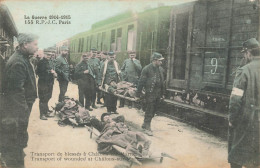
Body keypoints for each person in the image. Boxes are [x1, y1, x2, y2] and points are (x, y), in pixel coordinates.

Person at [0, 33, 38, 167]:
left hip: (18, 111)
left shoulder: (22, 58)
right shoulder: (18, 61)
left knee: (16, 140)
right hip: (17, 112)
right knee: (15, 139)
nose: (37, 47)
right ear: (25, 44)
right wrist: (24, 112)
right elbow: (16, 92)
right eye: (35, 44)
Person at [228, 38, 260, 168]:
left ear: (248, 53)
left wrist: (232, 119)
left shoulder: (245, 70)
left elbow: (236, 98)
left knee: (237, 155)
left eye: (244, 53)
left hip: (246, 119)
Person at [136, 52, 165, 136]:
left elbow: (162, 82)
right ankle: (147, 126)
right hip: (150, 93)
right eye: (160, 61)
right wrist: (138, 94)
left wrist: (163, 94)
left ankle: (145, 124)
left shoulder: (160, 69)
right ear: (154, 60)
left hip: (158, 93)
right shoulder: (146, 69)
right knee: (149, 110)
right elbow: (141, 82)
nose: (161, 62)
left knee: (154, 110)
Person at [36, 51, 57, 120]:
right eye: (48, 54)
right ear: (44, 54)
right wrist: (50, 72)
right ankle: (42, 114)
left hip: (49, 82)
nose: (49, 56)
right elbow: (39, 72)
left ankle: (46, 110)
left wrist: (53, 73)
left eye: (50, 55)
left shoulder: (48, 61)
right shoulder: (41, 62)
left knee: (48, 96)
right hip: (43, 83)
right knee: (43, 98)